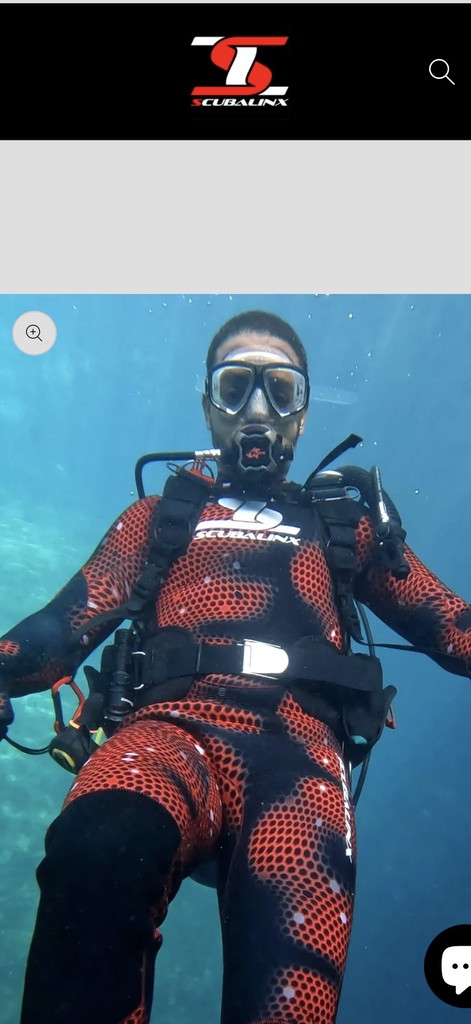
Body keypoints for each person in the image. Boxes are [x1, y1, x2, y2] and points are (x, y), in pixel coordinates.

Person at [1, 308, 471, 1024]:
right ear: (208, 408)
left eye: (280, 390)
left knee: (289, 1002)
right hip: (164, 736)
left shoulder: (345, 526)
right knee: (95, 849)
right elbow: (63, 626)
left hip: (299, 766)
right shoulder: (157, 519)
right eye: (234, 387)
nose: (257, 409)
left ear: (303, 414)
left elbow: (452, 626)